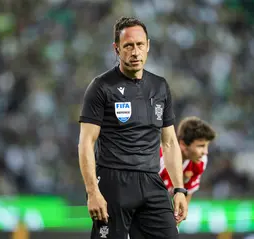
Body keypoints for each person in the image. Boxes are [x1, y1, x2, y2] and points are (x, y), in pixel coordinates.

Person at [78, 17, 187, 239]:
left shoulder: (160, 86)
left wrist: (179, 189)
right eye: (128, 46)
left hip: (151, 181)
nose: (135, 52)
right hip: (113, 183)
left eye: (139, 45)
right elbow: (86, 143)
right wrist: (92, 192)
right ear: (116, 49)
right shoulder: (101, 87)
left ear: (148, 45)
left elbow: (169, 142)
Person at [159, 116, 216, 209]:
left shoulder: (201, 161)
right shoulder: (159, 159)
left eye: (207, 146)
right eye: (201, 146)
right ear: (183, 145)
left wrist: (176, 221)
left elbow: (186, 197)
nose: (205, 152)